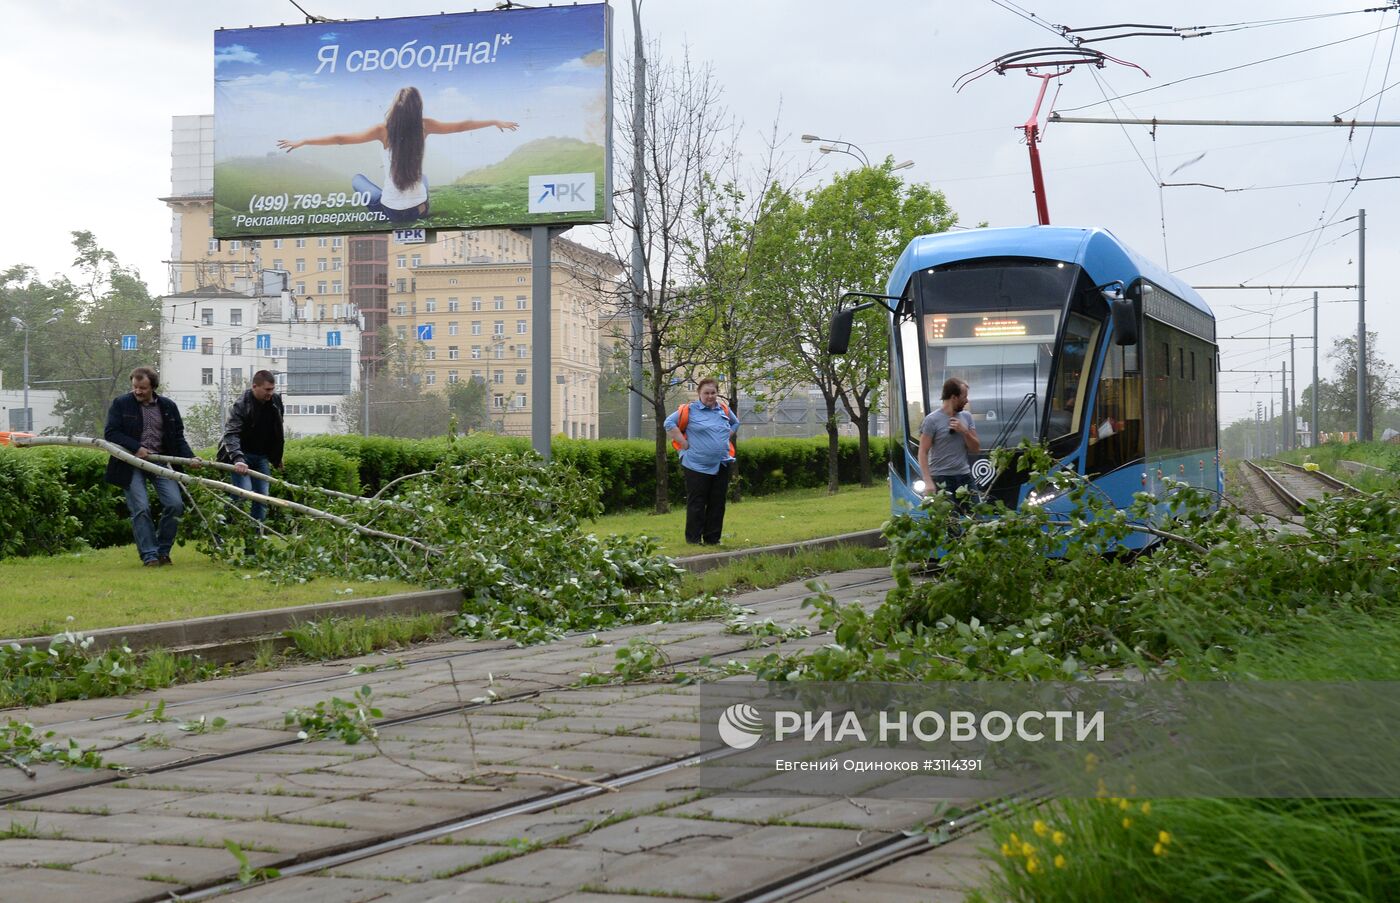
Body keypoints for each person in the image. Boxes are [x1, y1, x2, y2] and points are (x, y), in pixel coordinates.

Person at [277, 86, 519, 223]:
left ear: (394, 107)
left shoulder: (382, 130)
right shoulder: (425, 125)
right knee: (422, 178)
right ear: (418, 108)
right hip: (420, 209)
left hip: (391, 211)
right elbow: (462, 125)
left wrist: (304, 140)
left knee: (358, 179)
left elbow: (340, 139)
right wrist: (494, 121)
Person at [103, 367, 200, 566]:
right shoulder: (121, 404)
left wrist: (190, 457)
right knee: (141, 508)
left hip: (160, 461)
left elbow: (178, 437)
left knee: (175, 505)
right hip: (130, 463)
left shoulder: (168, 406)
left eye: (143, 388)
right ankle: (150, 556)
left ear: (153, 387)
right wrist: (136, 447)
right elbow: (111, 433)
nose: (138, 391)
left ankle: (163, 551)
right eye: (135, 387)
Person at [665, 378, 740, 545]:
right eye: (706, 393)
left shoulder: (723, 409)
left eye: (713, 393)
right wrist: (683, 443)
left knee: (717, 502)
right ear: (699, 393)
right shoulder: (689, 410)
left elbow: (735, 423)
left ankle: (713, 539)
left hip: (721, 463)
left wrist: (725, 436)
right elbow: (668, 423)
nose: (710, 396)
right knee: (697, 502)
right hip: (696, 465)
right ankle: (693, 539)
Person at [219, 370, 285, 524]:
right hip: (242, 456)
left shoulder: (275, 401)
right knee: (243, 492)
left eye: (272, 389)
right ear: (255, 386)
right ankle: (221, 525)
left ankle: (256, 540)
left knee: (262, 497)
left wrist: (277, 456)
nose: (270, 393)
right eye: (267, 389)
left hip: (261, 457)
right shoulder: (241, 405)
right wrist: (238, 459)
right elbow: (231, 434)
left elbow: (277, 431)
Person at [918, 377, 981, 510]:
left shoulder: (967, 417)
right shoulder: (931, 420)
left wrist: (964, 431)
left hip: (965, 478)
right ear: (954, 397)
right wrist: (928, 481)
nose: (967, 401)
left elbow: (975, 449)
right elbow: (923, 452)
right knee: (952, 525)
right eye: (964, 397)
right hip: (941, 479)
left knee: (977, 519)